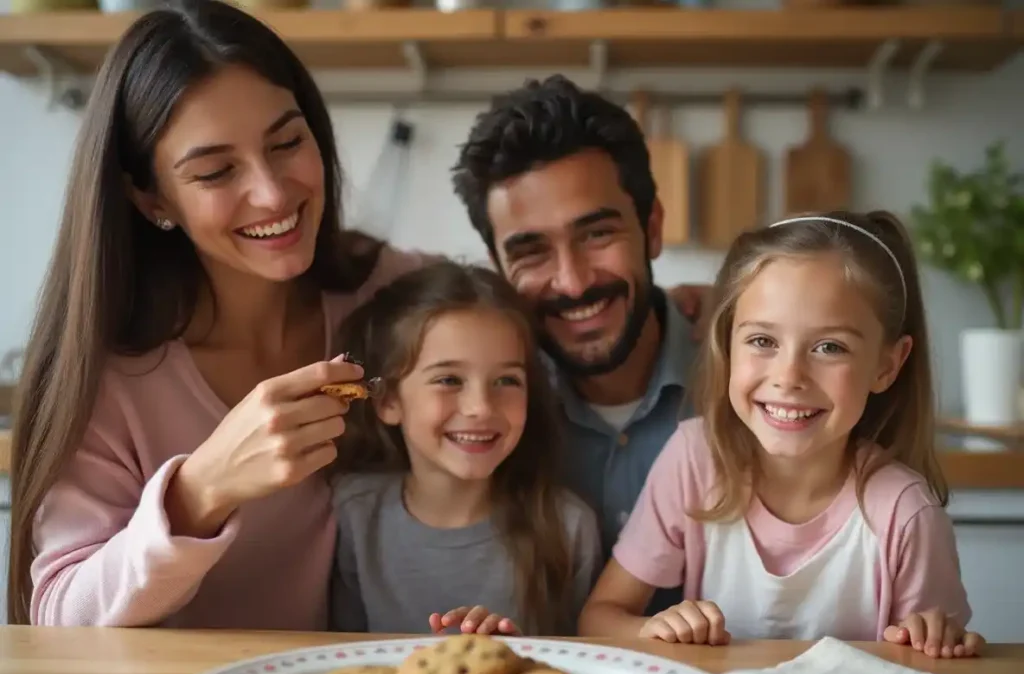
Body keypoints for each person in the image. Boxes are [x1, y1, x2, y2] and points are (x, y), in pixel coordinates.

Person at [6, 0, 434, 628]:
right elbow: (59, 618)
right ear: (150, 197)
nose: (272, 192)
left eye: (288, 141)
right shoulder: (109, 372)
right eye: (215, 172)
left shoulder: (399, 292)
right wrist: (201, 491)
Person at [578, 211, 985, 658]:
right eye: (762, 341)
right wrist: (654, 629)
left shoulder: (905, 512)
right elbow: (600, 616)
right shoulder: (694, 460)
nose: (789, 376)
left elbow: (943, 666)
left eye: (830, 347)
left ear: (887, 365)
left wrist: (940, 640)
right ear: (727, 342)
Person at [451, 75, 700, 615]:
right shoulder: (479, 417)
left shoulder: (755, 386)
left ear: (651, 227)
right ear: (498, 267)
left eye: (596, 234)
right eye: (532, 252)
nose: (573, 282)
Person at [328, 262, 602, 637]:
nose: (481, 408)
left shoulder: (568, 528)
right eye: (449, 380)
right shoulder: (352, 514)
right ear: (388, 400)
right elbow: (337, 658)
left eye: (507, 380)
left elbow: (584, 667)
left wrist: (518, 653)